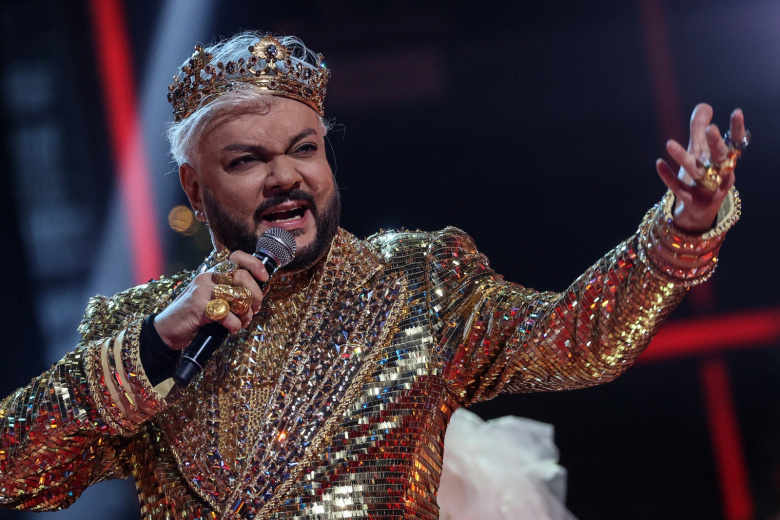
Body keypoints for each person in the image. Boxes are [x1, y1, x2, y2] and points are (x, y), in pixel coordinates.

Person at [0, 30, 748, 520]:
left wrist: (682, 231)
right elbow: (13, 469)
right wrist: (154, 348)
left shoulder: (418, 281)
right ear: (196, 190)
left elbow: (578, 341)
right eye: (248, 160)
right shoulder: (142, 333)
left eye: (304, 149)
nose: (285, 177)